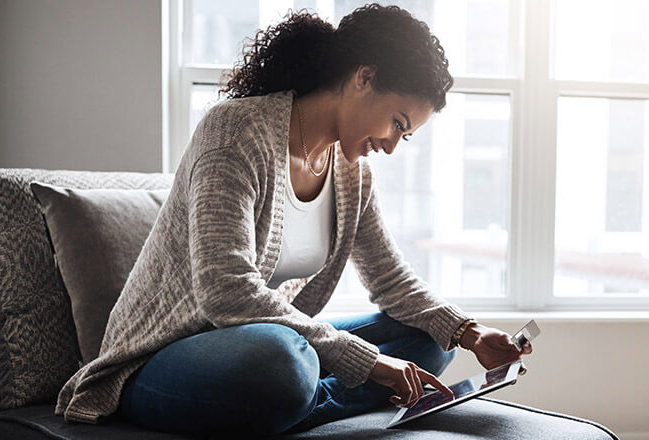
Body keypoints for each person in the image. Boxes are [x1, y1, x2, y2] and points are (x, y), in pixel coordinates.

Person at [53, 3, 532, 436]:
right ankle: (303, 398)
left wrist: (468, 332)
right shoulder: (235, 132)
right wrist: (366, 363)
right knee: (284, 363)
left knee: (431, 340)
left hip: (263, 346)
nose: (391, 144)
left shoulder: (352, 175)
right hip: (162, 358)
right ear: (363, 78)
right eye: (398, 123)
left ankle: (293, 405)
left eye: (403, 137)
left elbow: (391, 279)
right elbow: (226, 290)